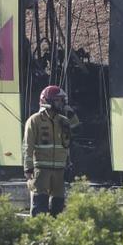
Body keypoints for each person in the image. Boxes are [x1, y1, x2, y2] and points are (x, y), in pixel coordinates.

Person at [22, 84, 78, 217]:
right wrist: (28, 169)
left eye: (62, 100)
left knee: (58, 206)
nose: (61, 103)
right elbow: (27, 146)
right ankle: (38, 233)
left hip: (59, 171)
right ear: (48, 101)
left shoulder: (63, 120)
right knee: (40, 206)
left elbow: (76, 129)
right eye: (58, 100)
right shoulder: (34, 120)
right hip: (41, 170)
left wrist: (70, 112)